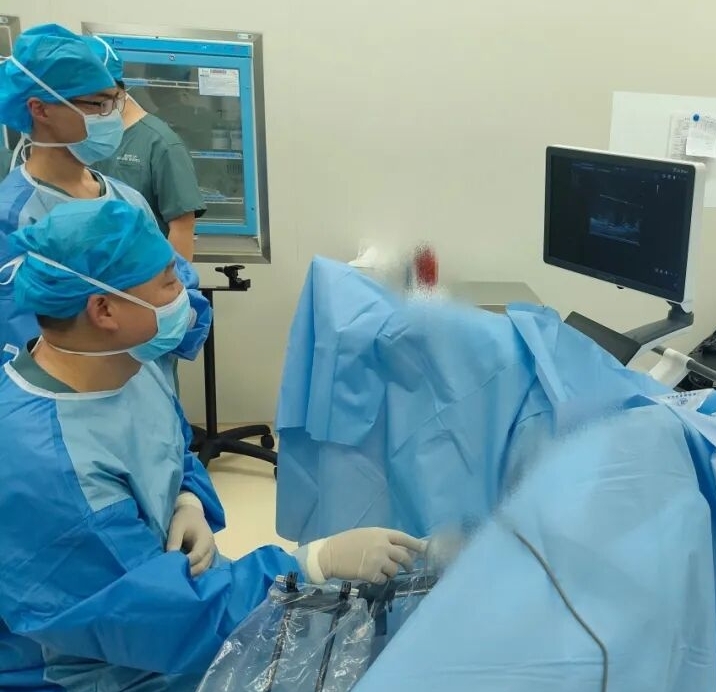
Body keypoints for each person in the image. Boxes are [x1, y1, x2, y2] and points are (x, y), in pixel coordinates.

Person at [0, 198, 425, 692]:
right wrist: (310, 565)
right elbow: (154, 616)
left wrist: (188, 498)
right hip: (108, 665)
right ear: (104, 309)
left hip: (184, 603)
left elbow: (169, 444)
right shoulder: (44, 466)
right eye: (168, 283)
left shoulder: (128, 363)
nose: (186, 295)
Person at [0, 23, 209, 372]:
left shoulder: (126, 199)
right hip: (72, 399)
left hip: (151, 386)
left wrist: (177, 316)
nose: (112, 115)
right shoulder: (12, 218)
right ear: (40, 109)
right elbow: (22, 350)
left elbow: (179, 290)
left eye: (116, 101)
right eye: (98, 104)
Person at [85, 35, 206, 262]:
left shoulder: (161, 143)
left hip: (145, 274)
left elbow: (182, 227)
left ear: (115, 92)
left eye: (90, 102)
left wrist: (175, 281)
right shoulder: (84, 140)